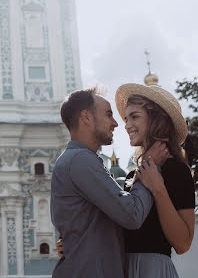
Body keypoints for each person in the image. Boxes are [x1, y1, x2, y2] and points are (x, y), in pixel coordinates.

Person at [50, 87, 168, 278]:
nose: (115, 123)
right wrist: (150, 167)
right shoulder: (80, 160)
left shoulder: (76, 159)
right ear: (86, 117)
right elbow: (132, 214)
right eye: (108, 115)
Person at [115, 83, 195, 278]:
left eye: (134, 117)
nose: (126, 125)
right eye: (126, 118)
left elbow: (183, 244)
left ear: (156, 120)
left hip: (154, 271)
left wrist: (158, 188)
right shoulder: (130, 177)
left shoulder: (177, 171)